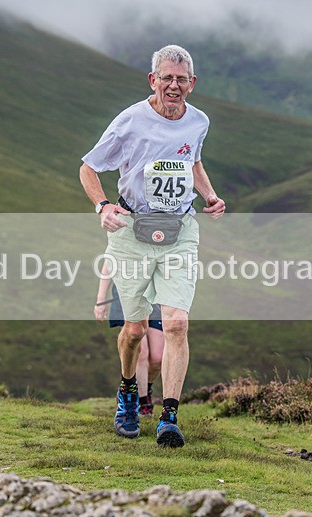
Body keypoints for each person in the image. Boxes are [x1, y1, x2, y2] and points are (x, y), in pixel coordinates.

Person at [80, 44, 225, 447]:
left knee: (177, 322)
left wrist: (209, 196)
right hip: (131, 229)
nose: (173, 86)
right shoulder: (130, 120)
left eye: (181, 79)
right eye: (166, 78)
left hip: (180, 228)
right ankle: (128, 390)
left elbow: (192, 161)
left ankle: (169, 417)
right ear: (153, 80)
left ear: (191, 84)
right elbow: (89, 166)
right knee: (134, 329)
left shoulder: (198, 122)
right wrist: (102, 205)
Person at [94, 262, 163, 416]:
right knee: (141, 352)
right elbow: (109, 260)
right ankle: (142, 403)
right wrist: (101, 299)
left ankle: (142, 387)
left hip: (156, 294)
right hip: (127, 292)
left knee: (157, 359)